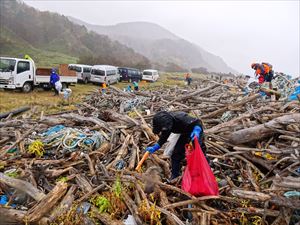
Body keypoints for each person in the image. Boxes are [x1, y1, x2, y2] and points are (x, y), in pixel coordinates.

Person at [146, 111, 207, 180]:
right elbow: (164, 136)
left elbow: (198, 122)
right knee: (176, 154)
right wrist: (155, 147)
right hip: (184, 132)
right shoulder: (164, 123)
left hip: (194, 130)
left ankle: (206, 170)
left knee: (198, 152)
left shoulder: (180, 118)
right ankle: (175, 176)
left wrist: (197, 130)